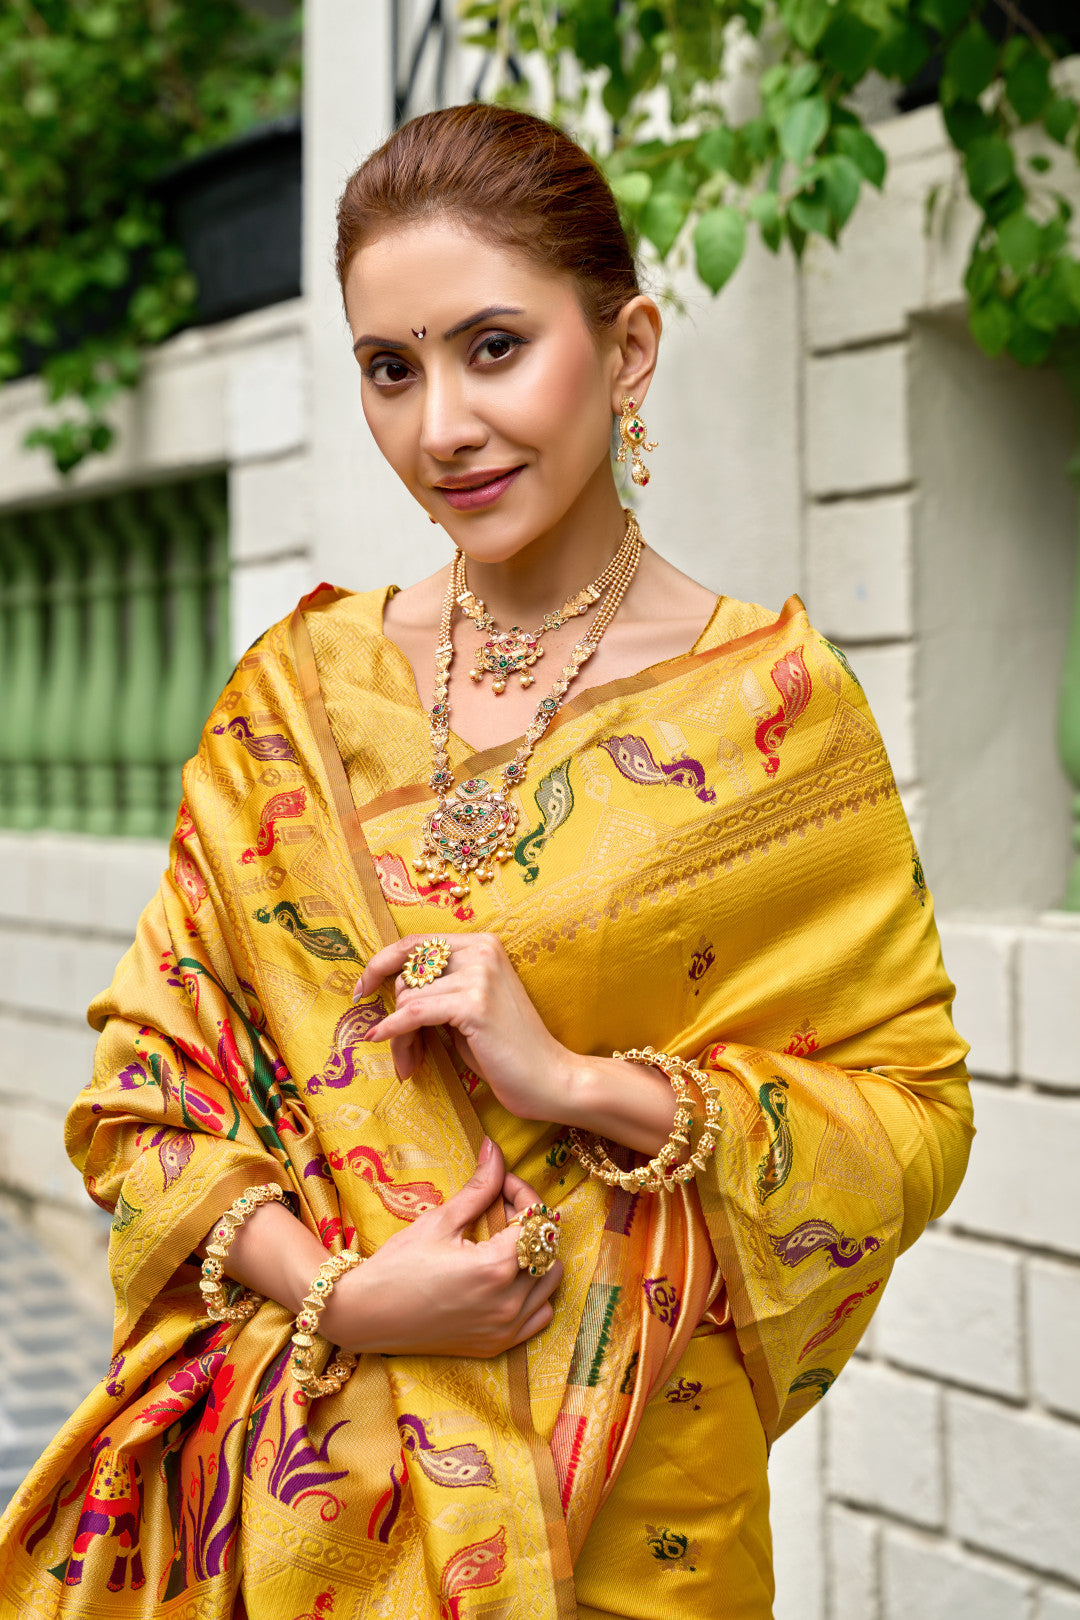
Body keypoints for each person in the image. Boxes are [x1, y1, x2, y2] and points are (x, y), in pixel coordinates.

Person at [0, 104, 972, 1620]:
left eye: (494, 347)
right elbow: (144, 1099)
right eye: (393, 368)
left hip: (629, 1523)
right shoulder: (299, 697)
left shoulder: (771, 714)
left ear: (628, 349)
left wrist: (578, 1084)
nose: (440, 423)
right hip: (302, 1517)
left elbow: (906, 1118)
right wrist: (346, 1293)